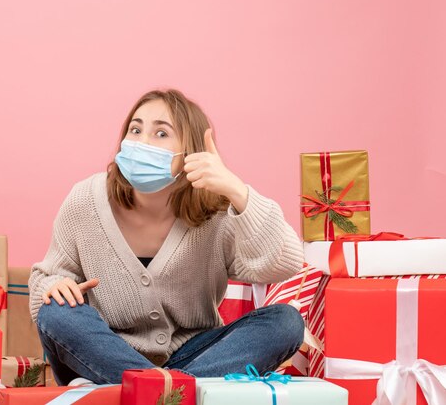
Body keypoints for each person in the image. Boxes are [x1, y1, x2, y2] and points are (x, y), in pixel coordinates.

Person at [29, 89, 305, 386]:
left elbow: (282, 263)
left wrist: (238, 191)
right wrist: (56, 285)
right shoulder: (85, 200)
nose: (142, 142)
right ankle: (173, 392)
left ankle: (152, 391)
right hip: (103, 355)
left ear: (192, 152)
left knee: (286, 322)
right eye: (135, 130)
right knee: (55, 311)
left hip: (195, 356)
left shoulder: (217, 213)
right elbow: (44, 279)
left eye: (161, 133)